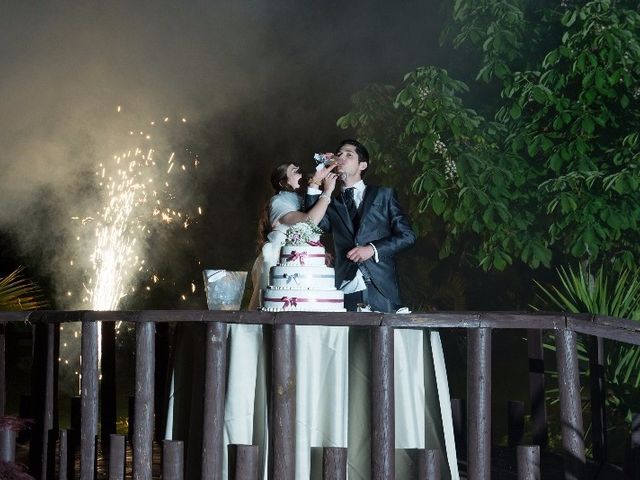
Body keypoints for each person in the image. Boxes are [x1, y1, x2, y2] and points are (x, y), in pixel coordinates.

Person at [306, 139, 460, 479]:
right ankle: (349, 447)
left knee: (387, 365)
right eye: (339, 154)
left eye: (348, 155)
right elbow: (310, 229)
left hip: (382, 290)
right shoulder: (330, 199)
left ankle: (392, 448)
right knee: (347, 364)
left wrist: (373, 249)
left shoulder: (384, 195)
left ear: (362, 165)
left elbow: (407, 235)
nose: (341, 158)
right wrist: (317, 186)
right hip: (343, 290)